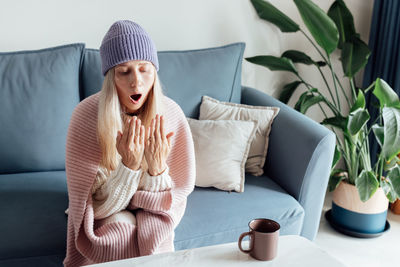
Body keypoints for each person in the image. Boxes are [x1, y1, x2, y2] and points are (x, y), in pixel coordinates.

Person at [63, 20, 196, 266]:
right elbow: (97, 209)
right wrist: (129, 167)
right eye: (124, 72)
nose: (136, 82)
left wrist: (156, 171)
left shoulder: (172, 114)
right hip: (108, 209)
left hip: (155, 210)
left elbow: (172, 200)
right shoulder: (85, 117)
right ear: (111, 78)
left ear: (155, 71)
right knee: (120, 234)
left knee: (152, 230)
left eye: (144, 69)